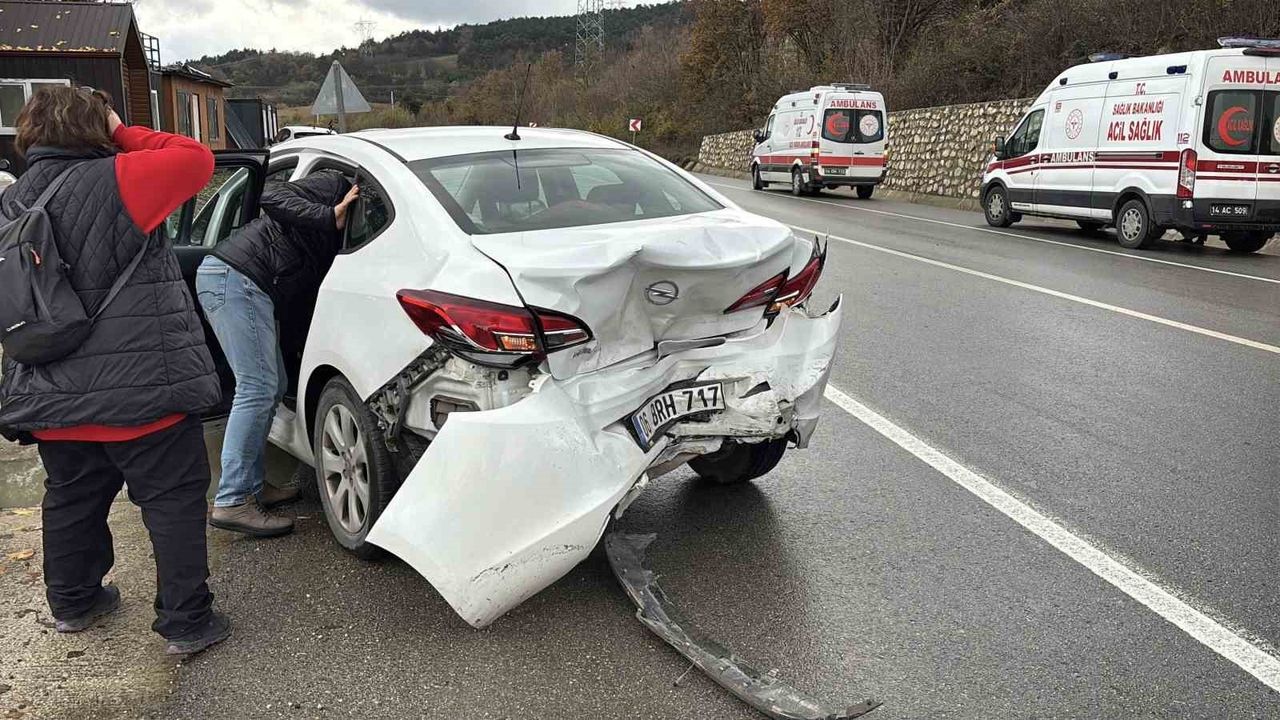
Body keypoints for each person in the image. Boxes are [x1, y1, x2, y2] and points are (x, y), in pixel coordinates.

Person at [0, 87, 229, 655]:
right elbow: (196, 158)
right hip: (142, 394)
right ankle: (186, 623)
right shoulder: (123, 178)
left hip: (52, 393)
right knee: (172, 501)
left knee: (72, 498)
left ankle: (74, 603)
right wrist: (119, 130)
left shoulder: (13, 199)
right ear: (98, 126)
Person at [197, 170, 358, 536]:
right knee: (257, 386)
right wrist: (329, 214)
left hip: (245, 283)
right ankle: (233, 500)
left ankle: (252, 487)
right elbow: (270, 194)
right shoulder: (336, 182)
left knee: (274, 382)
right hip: (237, 278)